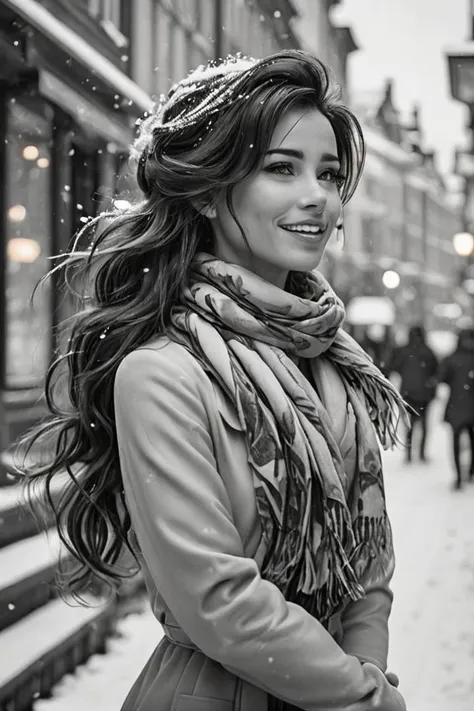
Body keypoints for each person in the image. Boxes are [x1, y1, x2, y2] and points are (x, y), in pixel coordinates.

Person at [17, 51, 408, 711]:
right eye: (281, 168)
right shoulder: (162, 373)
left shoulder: (332, 359)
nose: (317, 195)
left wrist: (363, 672)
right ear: (204, 190)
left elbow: (368, 561)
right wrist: (361, 694)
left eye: (330, 173)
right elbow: (217, 599)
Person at [389, 325, 438, 463]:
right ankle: (422, 453)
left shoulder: (403, 351)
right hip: (424, 393)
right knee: (424, 425)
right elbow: (436, 371)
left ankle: (408, 454)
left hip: (407, 393)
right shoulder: (428, 352)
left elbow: (394, 366)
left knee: (409, 424)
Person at [439, 327, 474, 490]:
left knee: (456, 442)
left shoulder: (452, 358)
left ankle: (459, 477)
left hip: (457, 405)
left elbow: (443, 377)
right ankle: (471, 472)